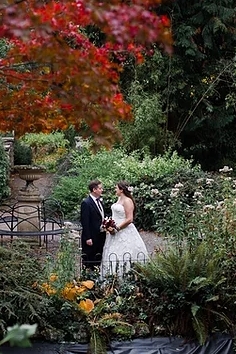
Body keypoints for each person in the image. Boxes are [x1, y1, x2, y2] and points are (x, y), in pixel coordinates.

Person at [101, 181, 149, 277]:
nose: (115, 190)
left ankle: (128, 276)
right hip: (114, 231)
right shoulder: (119, 199)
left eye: (116, 188)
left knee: (125, 253)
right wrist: (108, 224)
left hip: (124, 230)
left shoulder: (127, 201)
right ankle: (111, 278)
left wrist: (117, 228)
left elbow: (129, 219)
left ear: (121, 190)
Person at [80, 179, 106, 270]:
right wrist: (88, 237)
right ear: (94, 190)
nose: (102, 190)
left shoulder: (100, 201)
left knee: (99, 257)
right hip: (91, 236)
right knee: (90, 259)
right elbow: (85, 221)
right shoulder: (86, 203)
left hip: (100, 234)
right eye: (100, 188)